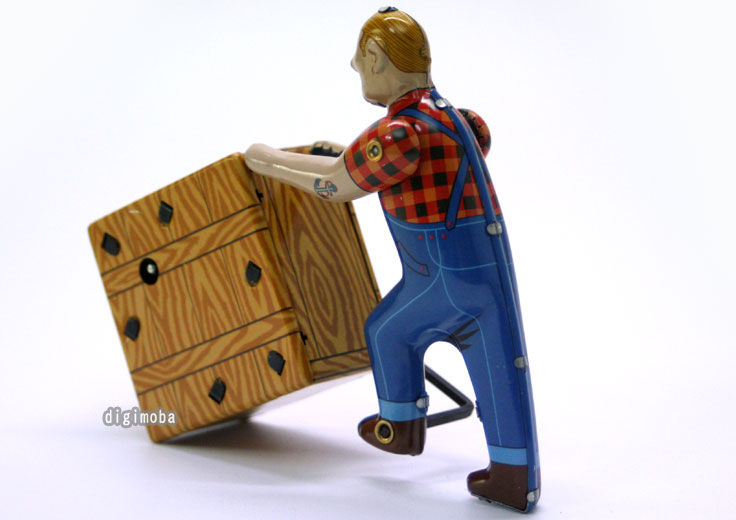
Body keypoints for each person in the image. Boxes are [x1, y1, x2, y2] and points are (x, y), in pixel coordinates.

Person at [245, 7, 540, 513]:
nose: (354, 67)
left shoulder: (399, 133)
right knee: (501, 368)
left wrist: (269, 160)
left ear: (377, 57)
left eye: (359, 58)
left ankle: (399, 426)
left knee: (388, 330)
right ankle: (514, 477)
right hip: (490, 276)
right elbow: (380, 167)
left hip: (440, 277)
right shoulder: (462, 121)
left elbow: (336, 185)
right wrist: (343, 155)